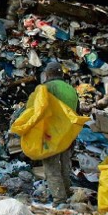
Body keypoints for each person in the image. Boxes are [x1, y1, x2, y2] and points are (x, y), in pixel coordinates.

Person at [34, 61, 79, 206]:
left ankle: (60, 200)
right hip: (68, 134)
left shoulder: (46, 88)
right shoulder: (71, 89)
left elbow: (38, 111)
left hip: (51, 134)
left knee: (52, 167)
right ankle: (66, 194)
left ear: (47, 74)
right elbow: (78, 112)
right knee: (65, 165)